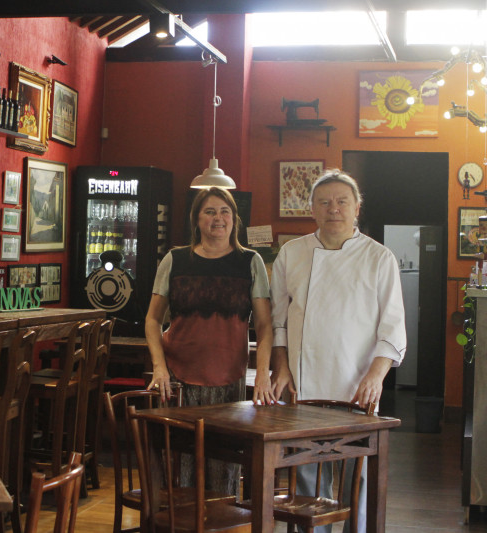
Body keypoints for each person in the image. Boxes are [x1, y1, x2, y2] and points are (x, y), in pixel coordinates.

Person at [269, 169, 406, 533]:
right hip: (303, 389)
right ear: (311, 209)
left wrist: (376, 377)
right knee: (306, 483)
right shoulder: (291, 254)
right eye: (324, 202)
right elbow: (278, 323)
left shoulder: (380, 258)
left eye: (342, 201)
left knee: (353, 482)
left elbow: (392, 330)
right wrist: (280, 368)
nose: (334, 209)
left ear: (357, 207)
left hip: (355, 388)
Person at [145, 186, 275, 496]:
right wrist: (159, 368)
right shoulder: (175, 259)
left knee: (224, 464)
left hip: (229, 380)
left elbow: (266, 324)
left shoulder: (250, 261)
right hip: (177, 380)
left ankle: (220, 524)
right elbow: (152, 320)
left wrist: (264, 374)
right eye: (209, 211)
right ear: (197, 220)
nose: (218, 218)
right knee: (178, 463)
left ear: (235, 219)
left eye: (224, 211)